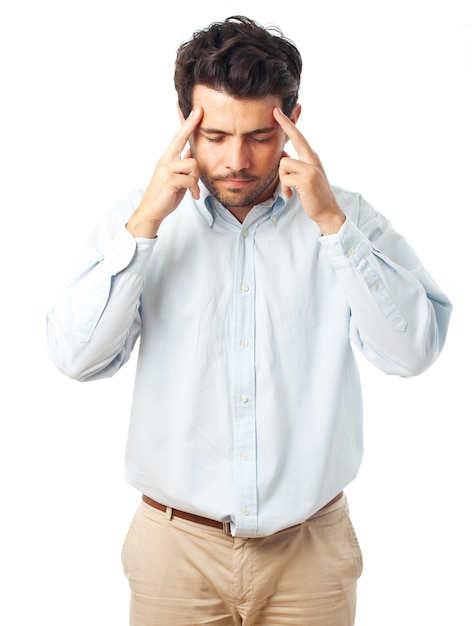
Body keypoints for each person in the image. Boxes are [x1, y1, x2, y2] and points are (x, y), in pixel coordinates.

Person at [46, 15, 452, 626]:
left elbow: (414, 350)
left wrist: (334, 229)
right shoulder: (138, 220)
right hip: (174, 552)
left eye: (260, 136)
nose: (237, 160)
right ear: (184, 123)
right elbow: (76, 358)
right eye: (215, 137)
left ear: (292, 122)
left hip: (310, 552)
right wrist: (145, 228)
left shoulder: (347, 219)